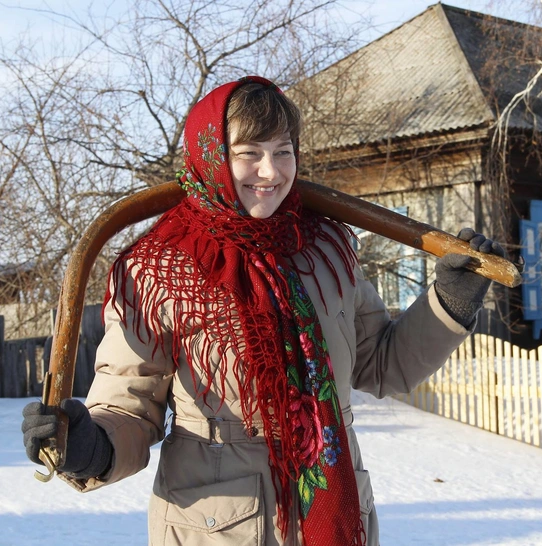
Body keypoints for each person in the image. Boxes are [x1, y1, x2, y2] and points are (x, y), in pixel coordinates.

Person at [21, 76, 506, 546]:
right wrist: (89, 447)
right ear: (212, 157)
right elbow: (130, 406)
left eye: (283, 152)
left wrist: (449, 302)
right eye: (249, 153)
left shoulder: (326, 249)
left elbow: (383, 364)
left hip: (334, 514)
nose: (271, 172)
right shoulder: (159, 268)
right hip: (217, 522)